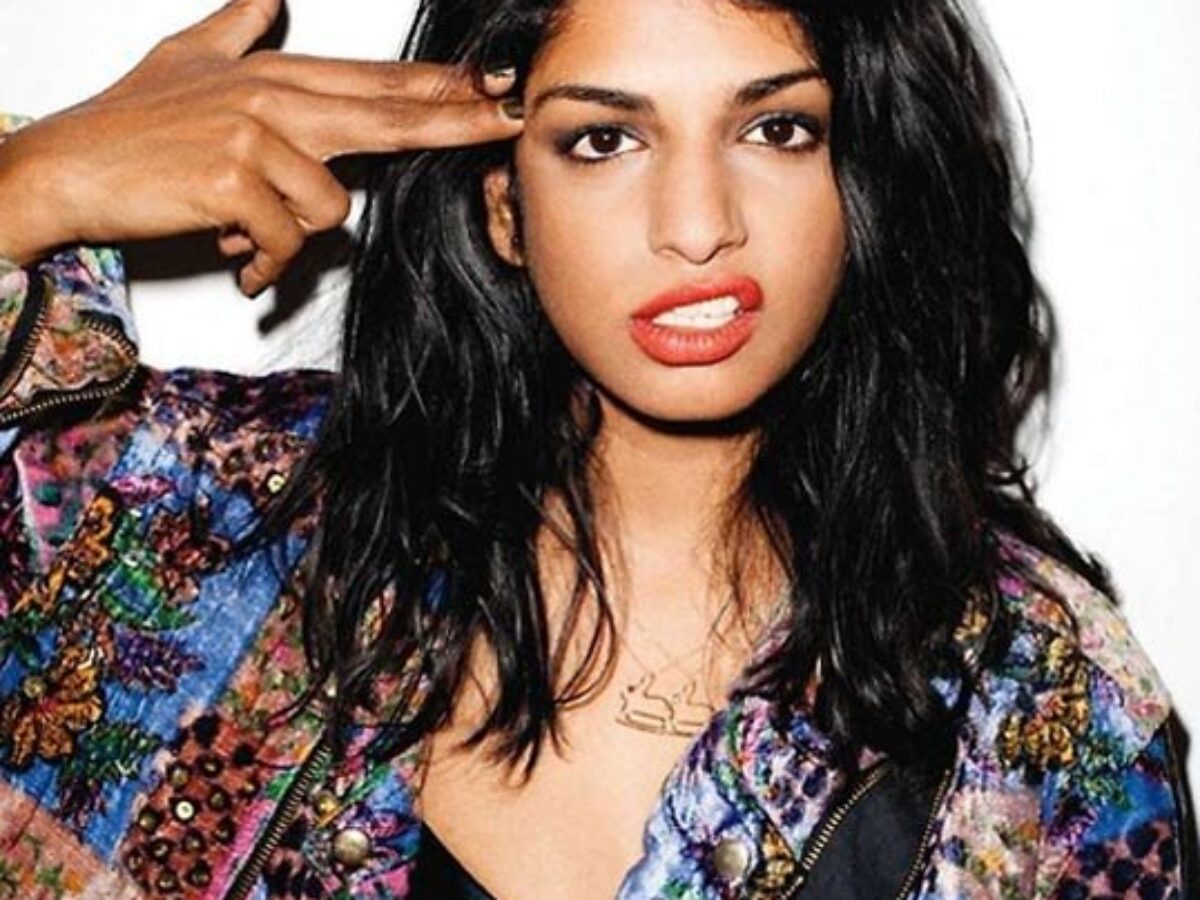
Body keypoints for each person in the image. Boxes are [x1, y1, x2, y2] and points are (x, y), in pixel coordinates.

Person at [0, 0, 1192, 897]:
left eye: (777, 128)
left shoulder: (1038, 702)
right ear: (503, 207)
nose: (698, 227)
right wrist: (27, 187)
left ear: (861, 178)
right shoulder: (191, 512)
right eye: (605, 139)